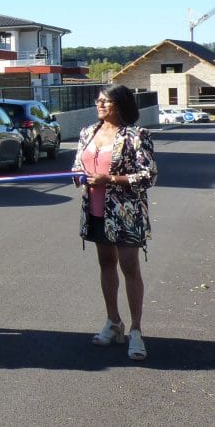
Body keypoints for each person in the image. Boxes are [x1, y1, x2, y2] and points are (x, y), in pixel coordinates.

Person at [72, 84, 157, 361]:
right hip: (96, 211)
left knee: (129, 267)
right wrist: (78, 175)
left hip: (125, 213)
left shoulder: (136, 136)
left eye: (105, 102)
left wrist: (111, 180)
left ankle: (135, 331)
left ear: (119, 105)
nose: (99, 105)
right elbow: (77, 164)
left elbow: (148, 176)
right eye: (98, 101)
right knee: (106, 264)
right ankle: (113, 322)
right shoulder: (88, 132)